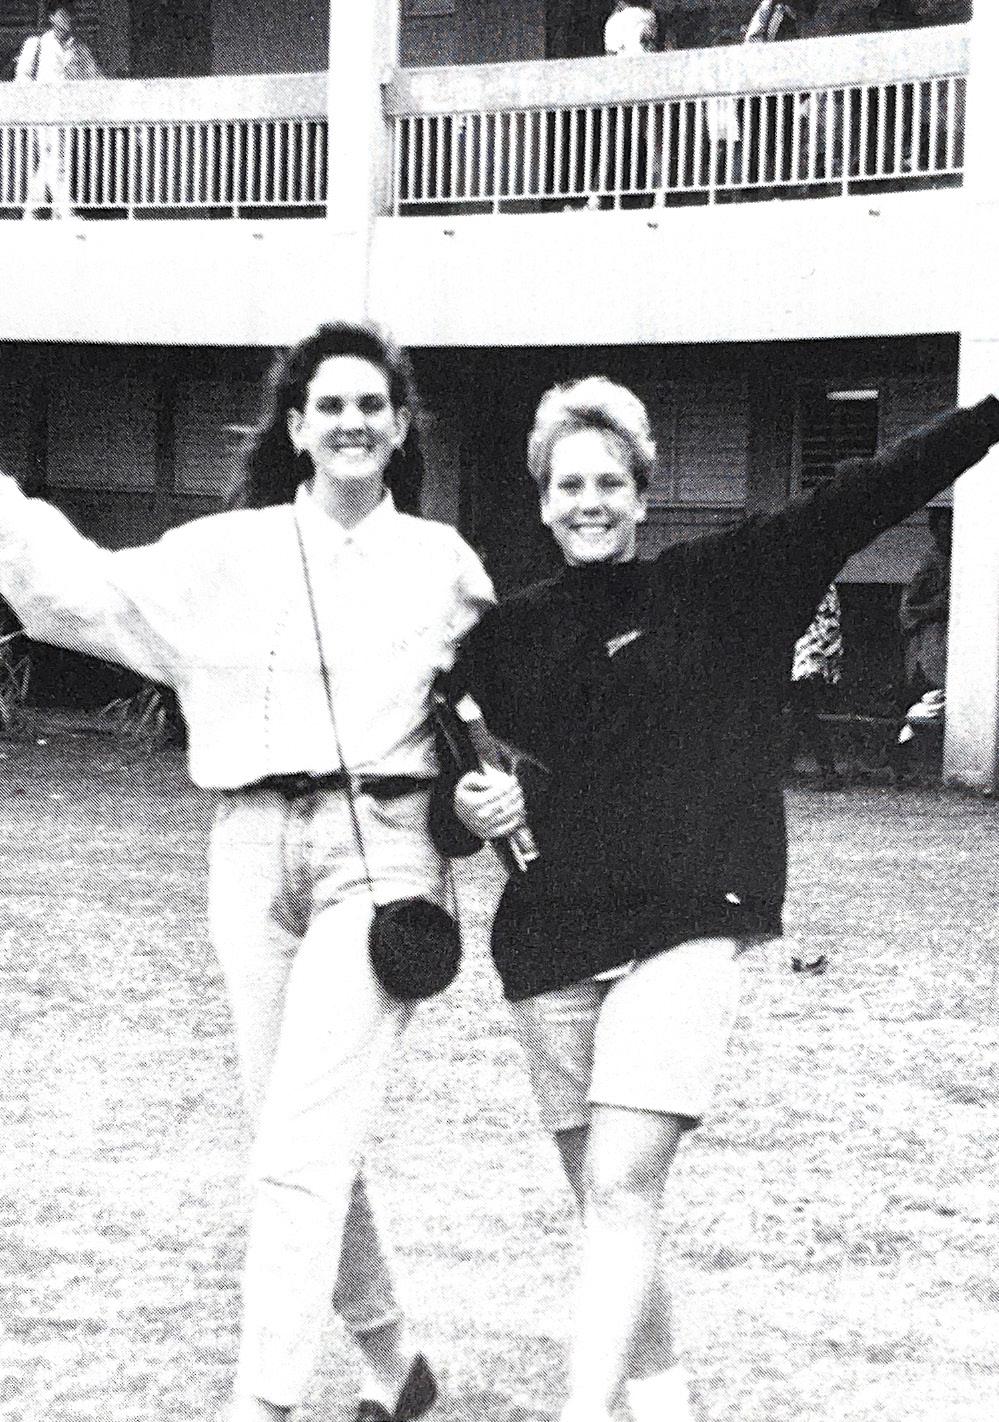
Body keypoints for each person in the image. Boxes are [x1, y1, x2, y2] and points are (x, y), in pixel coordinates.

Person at [434, 376, 999, 1422]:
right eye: (569, 486)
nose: (590, 502)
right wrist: (471, 803)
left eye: (610, 483)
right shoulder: (505, 636)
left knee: (621, 1185)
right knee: (607, 1205)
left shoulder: (724, 580)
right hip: (549, 945)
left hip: (688, 922)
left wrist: (989, 414)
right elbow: (448, 795)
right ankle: (665, 1404)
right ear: (543, 502)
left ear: (643, 496)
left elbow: (872, 488)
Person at [0, 321, 494, 1422]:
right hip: (248, 850)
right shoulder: (226, 553)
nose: (353, 422)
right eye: (332, 406)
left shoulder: (445, 565)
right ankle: (396, 1364)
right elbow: (77, 589)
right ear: (297, 428)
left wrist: (487, 795)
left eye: (373, 405)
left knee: (303, 1142)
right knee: (292, 1136)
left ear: (401, 428)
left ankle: (261, 1401)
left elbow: (501, 718)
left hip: (384, 857)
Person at [15, 1, 103, 221]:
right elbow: (22, 78)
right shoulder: (37, 44)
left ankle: (32, 210)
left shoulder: (79, 48)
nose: (68, 20)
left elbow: (96, 79)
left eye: (70, 15)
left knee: (50, 158)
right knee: (57, 157)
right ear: (52, 17)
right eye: (63, 15)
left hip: (68, 114)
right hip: (43, 113)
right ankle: (64, 209)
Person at [892, 505, 952, 781]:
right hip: (929, 638)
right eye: (943, 526)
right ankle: (902, 757)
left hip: (944, 636)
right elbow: (910, 606)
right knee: (927, 695)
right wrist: (937, 606)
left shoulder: (953, 558)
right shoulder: (930, 562)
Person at [788, 582, 843, 790]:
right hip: (814, 646)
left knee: (803, 710)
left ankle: (829, 772)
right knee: (801, 710)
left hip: (812, 648)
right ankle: (824, 770)